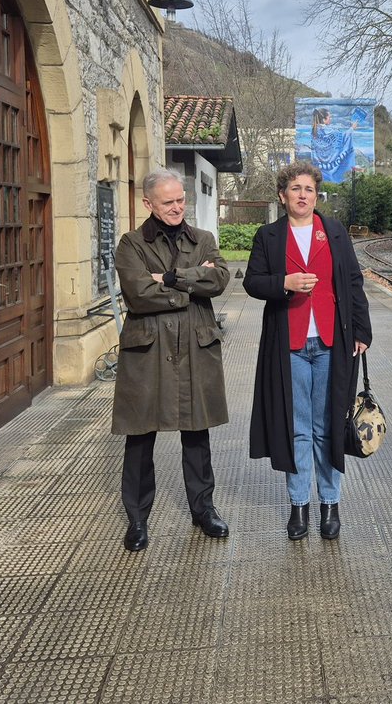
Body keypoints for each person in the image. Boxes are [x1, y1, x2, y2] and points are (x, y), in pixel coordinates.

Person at [245, 161, 371, 540]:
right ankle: (298, 505)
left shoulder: (333, 232)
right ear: (283, 195)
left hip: (332, 342)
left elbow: (353, 281)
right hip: (290, 345)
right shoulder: (269, 236)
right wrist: (284, 283)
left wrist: (362, 330)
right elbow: (252, 282)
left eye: (309, 189)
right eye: (296, 188)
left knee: (327, 426)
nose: (303, 195)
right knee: (297, 428)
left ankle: (330, 504)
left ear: (317, 196)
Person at [112, 169, 232, 552]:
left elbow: (220, 280)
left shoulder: (203, 239)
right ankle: (137, 518)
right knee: (140, 435)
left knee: (197, 432)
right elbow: (138, 294)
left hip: (195, 346)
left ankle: (204, 510)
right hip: (148, 350)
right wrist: (191, 284)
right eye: (169, 202)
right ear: (148, 203)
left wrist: (168, 278)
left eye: (181, 199)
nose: (178, 207)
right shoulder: (130, 244)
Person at [309, 108, 356, 183]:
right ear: (324, 119)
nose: (330, 119)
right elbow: (344, 137)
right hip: (332, 169)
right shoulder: (333, 132)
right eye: (329, 117)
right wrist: (352, 128)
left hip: (319, 169)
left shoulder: (313, 132)